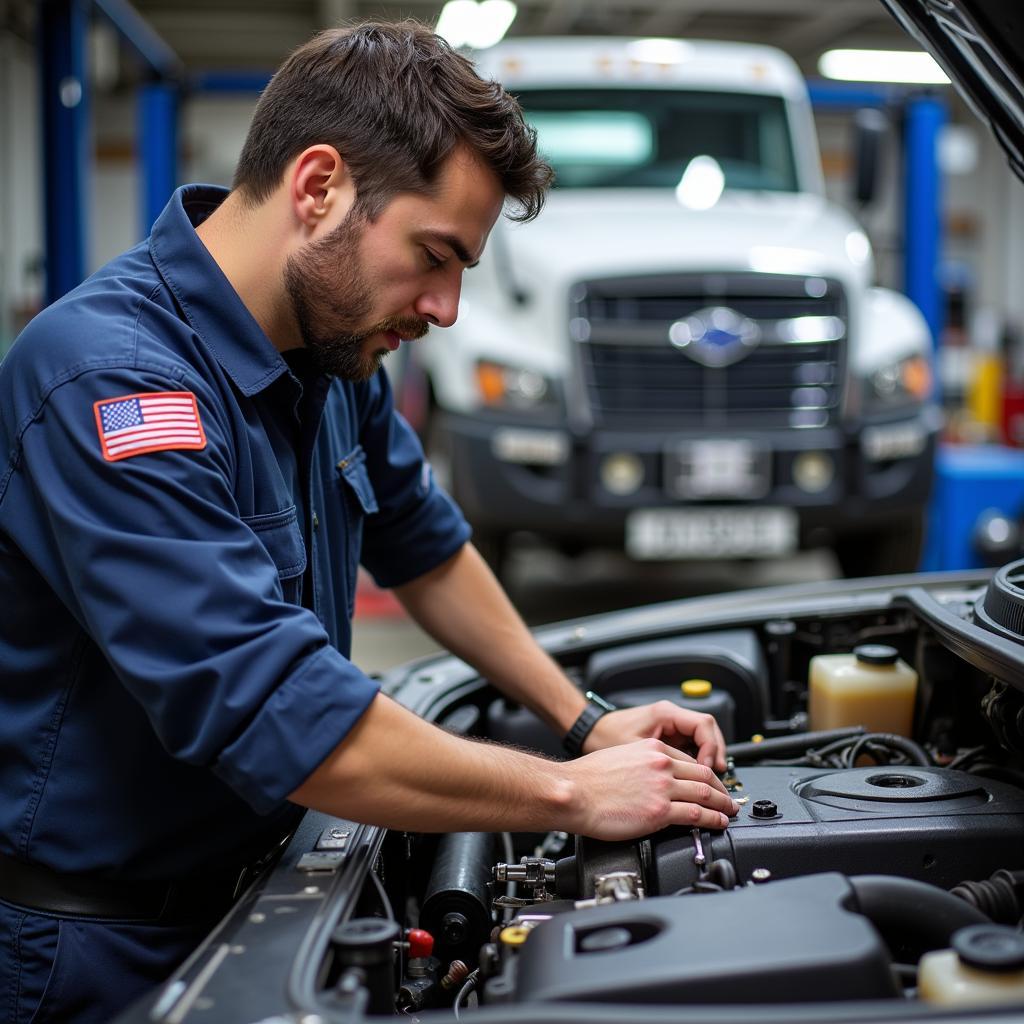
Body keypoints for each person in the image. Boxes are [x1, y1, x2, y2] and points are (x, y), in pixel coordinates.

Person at [0, 20, 737, 1023]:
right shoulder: (115, 383)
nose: (443, 307)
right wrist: (572, 793)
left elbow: (424, 547)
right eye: (434, 255)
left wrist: (583, 717)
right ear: (317, 188)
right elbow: (277, 713)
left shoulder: (333, 353)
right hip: (96, 951)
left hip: (254, 891)